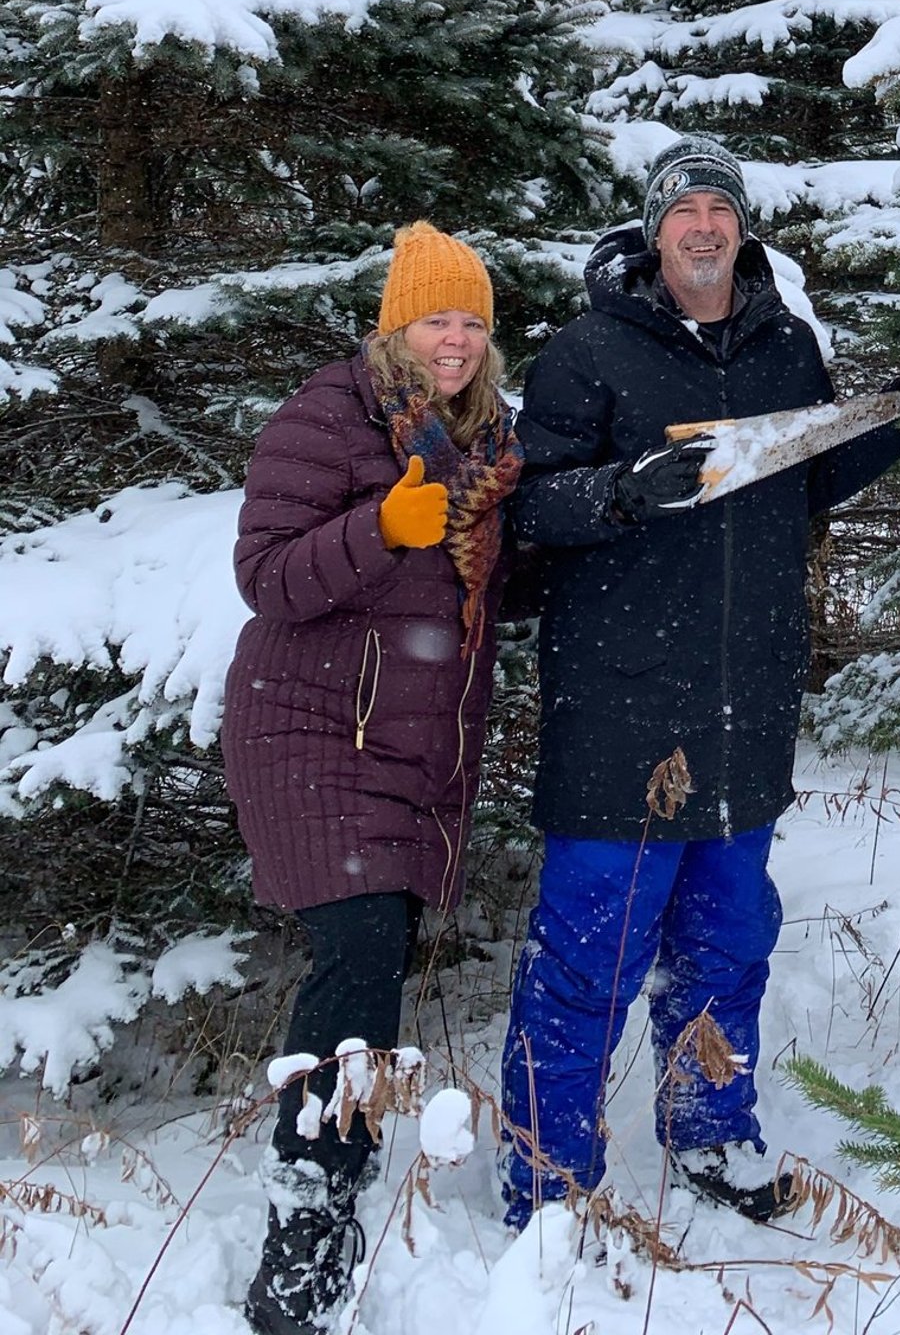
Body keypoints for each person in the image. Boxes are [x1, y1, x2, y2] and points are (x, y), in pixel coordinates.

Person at [500, 136, 900, 1229]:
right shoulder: (588, 354)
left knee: (726, 946)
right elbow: (527, 510)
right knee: (588, 961)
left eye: (721, 208)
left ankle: (710, 1129)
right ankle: (546, 1181)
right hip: (622, 709)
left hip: (744, 706)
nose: (705, 227)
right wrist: (622, 492)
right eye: (686, 211)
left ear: (743, 227)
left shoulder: (785, 348)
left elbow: (805, 471)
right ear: (656, 229)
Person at [222, 222, 522, 1335]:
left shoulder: (489, 441)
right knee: (356, 961)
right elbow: (264, 574)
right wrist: (377, 528)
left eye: (472, 322)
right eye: (436, 317)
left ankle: (328, 1194)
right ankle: (304, 1242)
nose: (454, 339)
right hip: (306, 730)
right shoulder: (328, 414)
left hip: (406, 749)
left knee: (371, 965)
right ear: (396, 325)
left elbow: (500, 587)